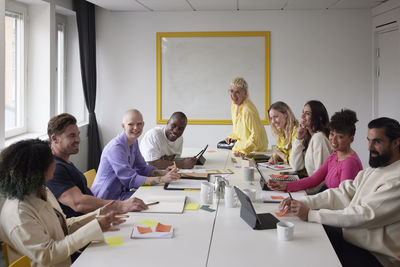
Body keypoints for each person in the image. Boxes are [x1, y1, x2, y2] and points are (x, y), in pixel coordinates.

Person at [280, 117, 400, 266]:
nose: (369, 148)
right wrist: (302, 202)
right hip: (352, 239)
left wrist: (311, 214)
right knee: (304, 238)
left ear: (396, 143)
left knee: (310, 248)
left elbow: (363, 214)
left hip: (377, 257)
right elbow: (342, 193)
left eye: (377, 142)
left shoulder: (396, 180)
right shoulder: (373, 171)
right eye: (368, 140)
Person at [0, 139, 125, 267]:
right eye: (51, 159)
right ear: (37, 170)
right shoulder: (19, 213)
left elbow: (64, 226)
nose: (55, 162)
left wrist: (98, 215)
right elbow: (48, 254)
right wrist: (94, 226)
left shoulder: (42, 190)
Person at [46, 113, 148, 218]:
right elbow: (78, 203)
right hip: (80, 227)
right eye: (72, 135)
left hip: (96, 216)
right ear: (54, 139)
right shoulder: (54, 168)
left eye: (78, 134)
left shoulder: (66, 163)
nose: (78, 139)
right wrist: (121, 206)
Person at [91, 109, 180, 200]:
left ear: (143, 124)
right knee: (154, 198)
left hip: (121, 193)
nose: (136, 128)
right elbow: (130, 180)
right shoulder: (115, 148)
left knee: (159, 195)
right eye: (131, 124)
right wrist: (162, 179)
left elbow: (142, 168)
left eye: (139, 124)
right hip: (105, 198)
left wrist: (164, 172)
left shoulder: (133, 142)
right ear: (123, 126)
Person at [268, 109, 363, 193]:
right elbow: (314, 179)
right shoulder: (334, 157)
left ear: (351, 139)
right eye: (331, 134)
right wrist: (286, 185)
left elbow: (343, 198)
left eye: (340, 137)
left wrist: (310, 204)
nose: (333, 140)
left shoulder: (350, 163)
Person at [289, 100, 332, 193]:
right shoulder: (310, 137)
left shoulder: (319, 138)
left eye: (307, 114)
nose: (302, 116)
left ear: (319, 118)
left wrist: (303, 191)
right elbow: (296, 166)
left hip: (317, 193)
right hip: (311, 188)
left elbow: (321, 179)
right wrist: (298, 138)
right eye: (303, 112)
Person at [225, 77, 268, 157]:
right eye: (231, 91)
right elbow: (240, 129)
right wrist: (232, 137)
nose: (233, 95)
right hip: (241, 148)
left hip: (255, 151)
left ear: (245, 93)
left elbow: (256, 136)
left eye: (237, 92)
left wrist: (244, 150)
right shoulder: (234, 105)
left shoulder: (248, 110)